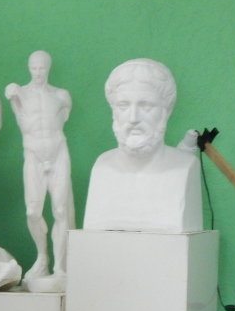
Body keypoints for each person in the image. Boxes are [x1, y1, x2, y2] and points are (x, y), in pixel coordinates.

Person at [82, 58, 201, 233]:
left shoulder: (185, 167)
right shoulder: (102, 167)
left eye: (146, 105)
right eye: (123, 105)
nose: (133, 118)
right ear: (113, 111)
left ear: (166, 111)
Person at [5, 51, 74, 288]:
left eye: (42, 68)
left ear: (48, 68)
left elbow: (63, 119)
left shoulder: (61, 96)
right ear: (29, 68)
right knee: (33, 212)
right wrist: (12, 91)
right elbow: (12, 98)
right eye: (34, 68)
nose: (38, 73)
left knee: (61, 210)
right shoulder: (19, 93)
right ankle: (42, 257)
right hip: (33, 155)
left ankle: (60, 266)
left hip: (58, 153)